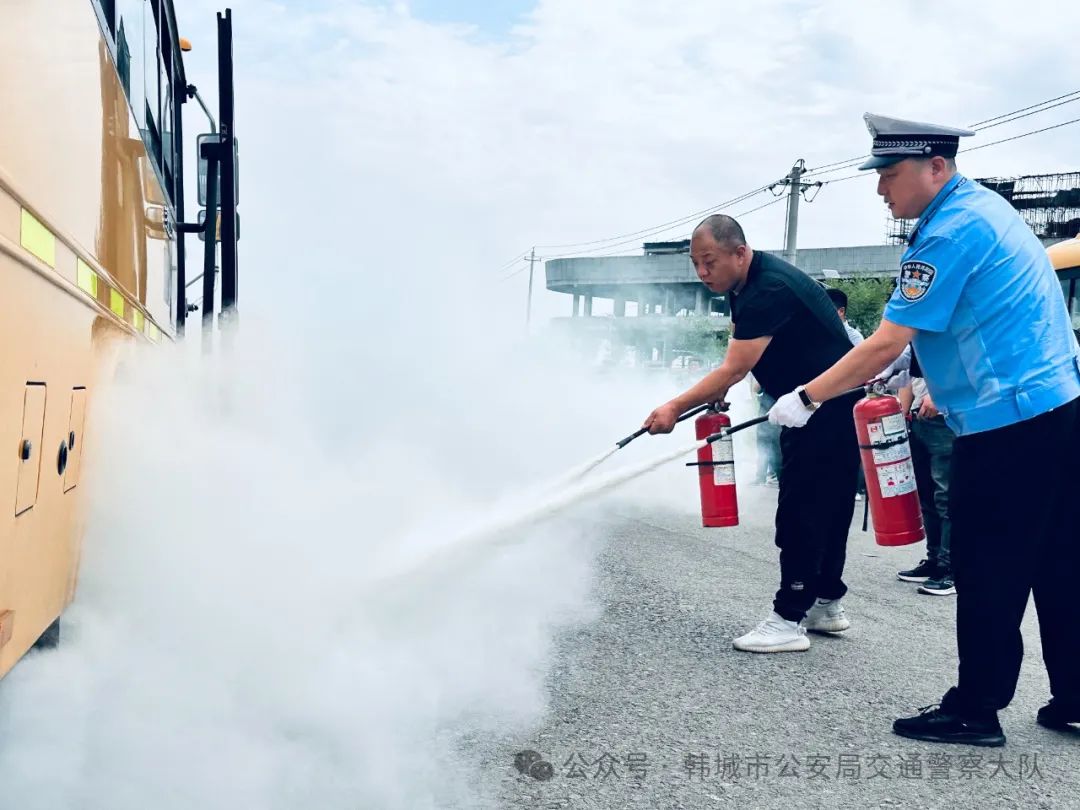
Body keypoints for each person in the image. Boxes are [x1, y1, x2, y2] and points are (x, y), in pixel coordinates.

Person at [769, 113, 1080, 746]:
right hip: (1057, 409)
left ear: (936, 167)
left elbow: (888, 341)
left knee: (986, 563)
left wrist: (806, 397)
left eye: (889, 173)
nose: (880, 187)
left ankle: (975, 709)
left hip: (1009, 423)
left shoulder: (949, 231)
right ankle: (1074, 697)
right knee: (1059, 561)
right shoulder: (985, 211)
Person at [643, 214, 861, 653]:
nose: (702, 273)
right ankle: (825, 602)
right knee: (830, 508)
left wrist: (673, 408)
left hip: (821, 409)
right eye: (695, 264)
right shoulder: (745, 284)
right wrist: (720, 391)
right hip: (824, 406)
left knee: (802, 512)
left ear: (739, 252)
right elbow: (744, 356)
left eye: (709, 262)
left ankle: (788, 618)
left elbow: (734, 367)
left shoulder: (767, 289)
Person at [894, 352, 956, 596]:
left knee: (946, 496)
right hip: (919, 416)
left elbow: (962, 362)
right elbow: (909, 377)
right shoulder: (915, 339)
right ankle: (934, 559)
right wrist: (901, 412)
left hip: (946, 417)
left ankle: (950, 567)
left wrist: (939, 395)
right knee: (926, 495)